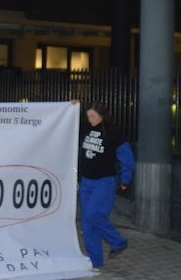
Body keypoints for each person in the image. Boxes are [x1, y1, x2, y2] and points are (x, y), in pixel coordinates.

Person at [77, 101, 133, 271]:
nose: (90, 119)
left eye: (93, 116)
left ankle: (118, 242)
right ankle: (96, 262)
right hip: (86, 181)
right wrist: (71, 107)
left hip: (104, 182)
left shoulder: (112, 132)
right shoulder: (85, 128)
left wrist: (125, 179)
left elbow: (127, 157)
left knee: (94, 215)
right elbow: (68, 123)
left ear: (102, 114)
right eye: (88, 116)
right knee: (87, 223)